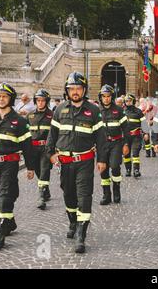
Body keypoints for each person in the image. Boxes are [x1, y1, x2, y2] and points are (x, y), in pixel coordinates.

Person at [46, 72, 107, 253]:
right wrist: (50, 153)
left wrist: (102, 159)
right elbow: (52, 134)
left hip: (85, 162)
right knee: (69, 195)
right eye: (71, 89)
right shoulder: (60, 110)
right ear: (67, 91)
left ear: (84, 90)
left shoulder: (94, 111)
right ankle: (73, 222)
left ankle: (81, 233)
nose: (75, 92)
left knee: (84, 196)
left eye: (78, 89)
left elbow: (101, 138)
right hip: (65, 162)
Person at [0, 83, 35, 250]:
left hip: (9, 164)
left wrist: (30, 167)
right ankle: (9, 221)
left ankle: (0, 231)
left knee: (5, 194)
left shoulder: (19, 121)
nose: (1, 99)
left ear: (10, 99)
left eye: (4, 96)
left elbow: (27, 146)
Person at [98, 85, 128, 205]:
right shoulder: (96, 111)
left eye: (108, 96)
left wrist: (126, 144)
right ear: (100, 97)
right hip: (102, 145)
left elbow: (126, 128)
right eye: (104, 96)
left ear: (112, 97)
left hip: (116, 143)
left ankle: (116, 190)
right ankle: (106, 194)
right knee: (103, 170)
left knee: (115, 166)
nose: (106, 99)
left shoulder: (119, 110)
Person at [27, 89, 54, 210]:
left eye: (43, 100)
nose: (40, 103)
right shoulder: (30, 115)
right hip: (33, 148)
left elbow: (55, 133)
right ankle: (45, 190)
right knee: (38, 170)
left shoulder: (52, 115)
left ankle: (42, 197)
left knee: (44, 170)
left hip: (46, 148)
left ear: (46, 101)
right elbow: (26, 133)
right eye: (38, 100)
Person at [123, 94, 146, 178]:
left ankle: (136, 170)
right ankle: (128, 170)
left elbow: (144, 123)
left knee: (135, 153)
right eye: (126, 101)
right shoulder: (122, 111)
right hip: (125, 137)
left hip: (136, 136)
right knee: (126, 154)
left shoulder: (138, 111)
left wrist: (146, 133)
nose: (128, 102)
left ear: (133, 101)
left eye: (129, 100)